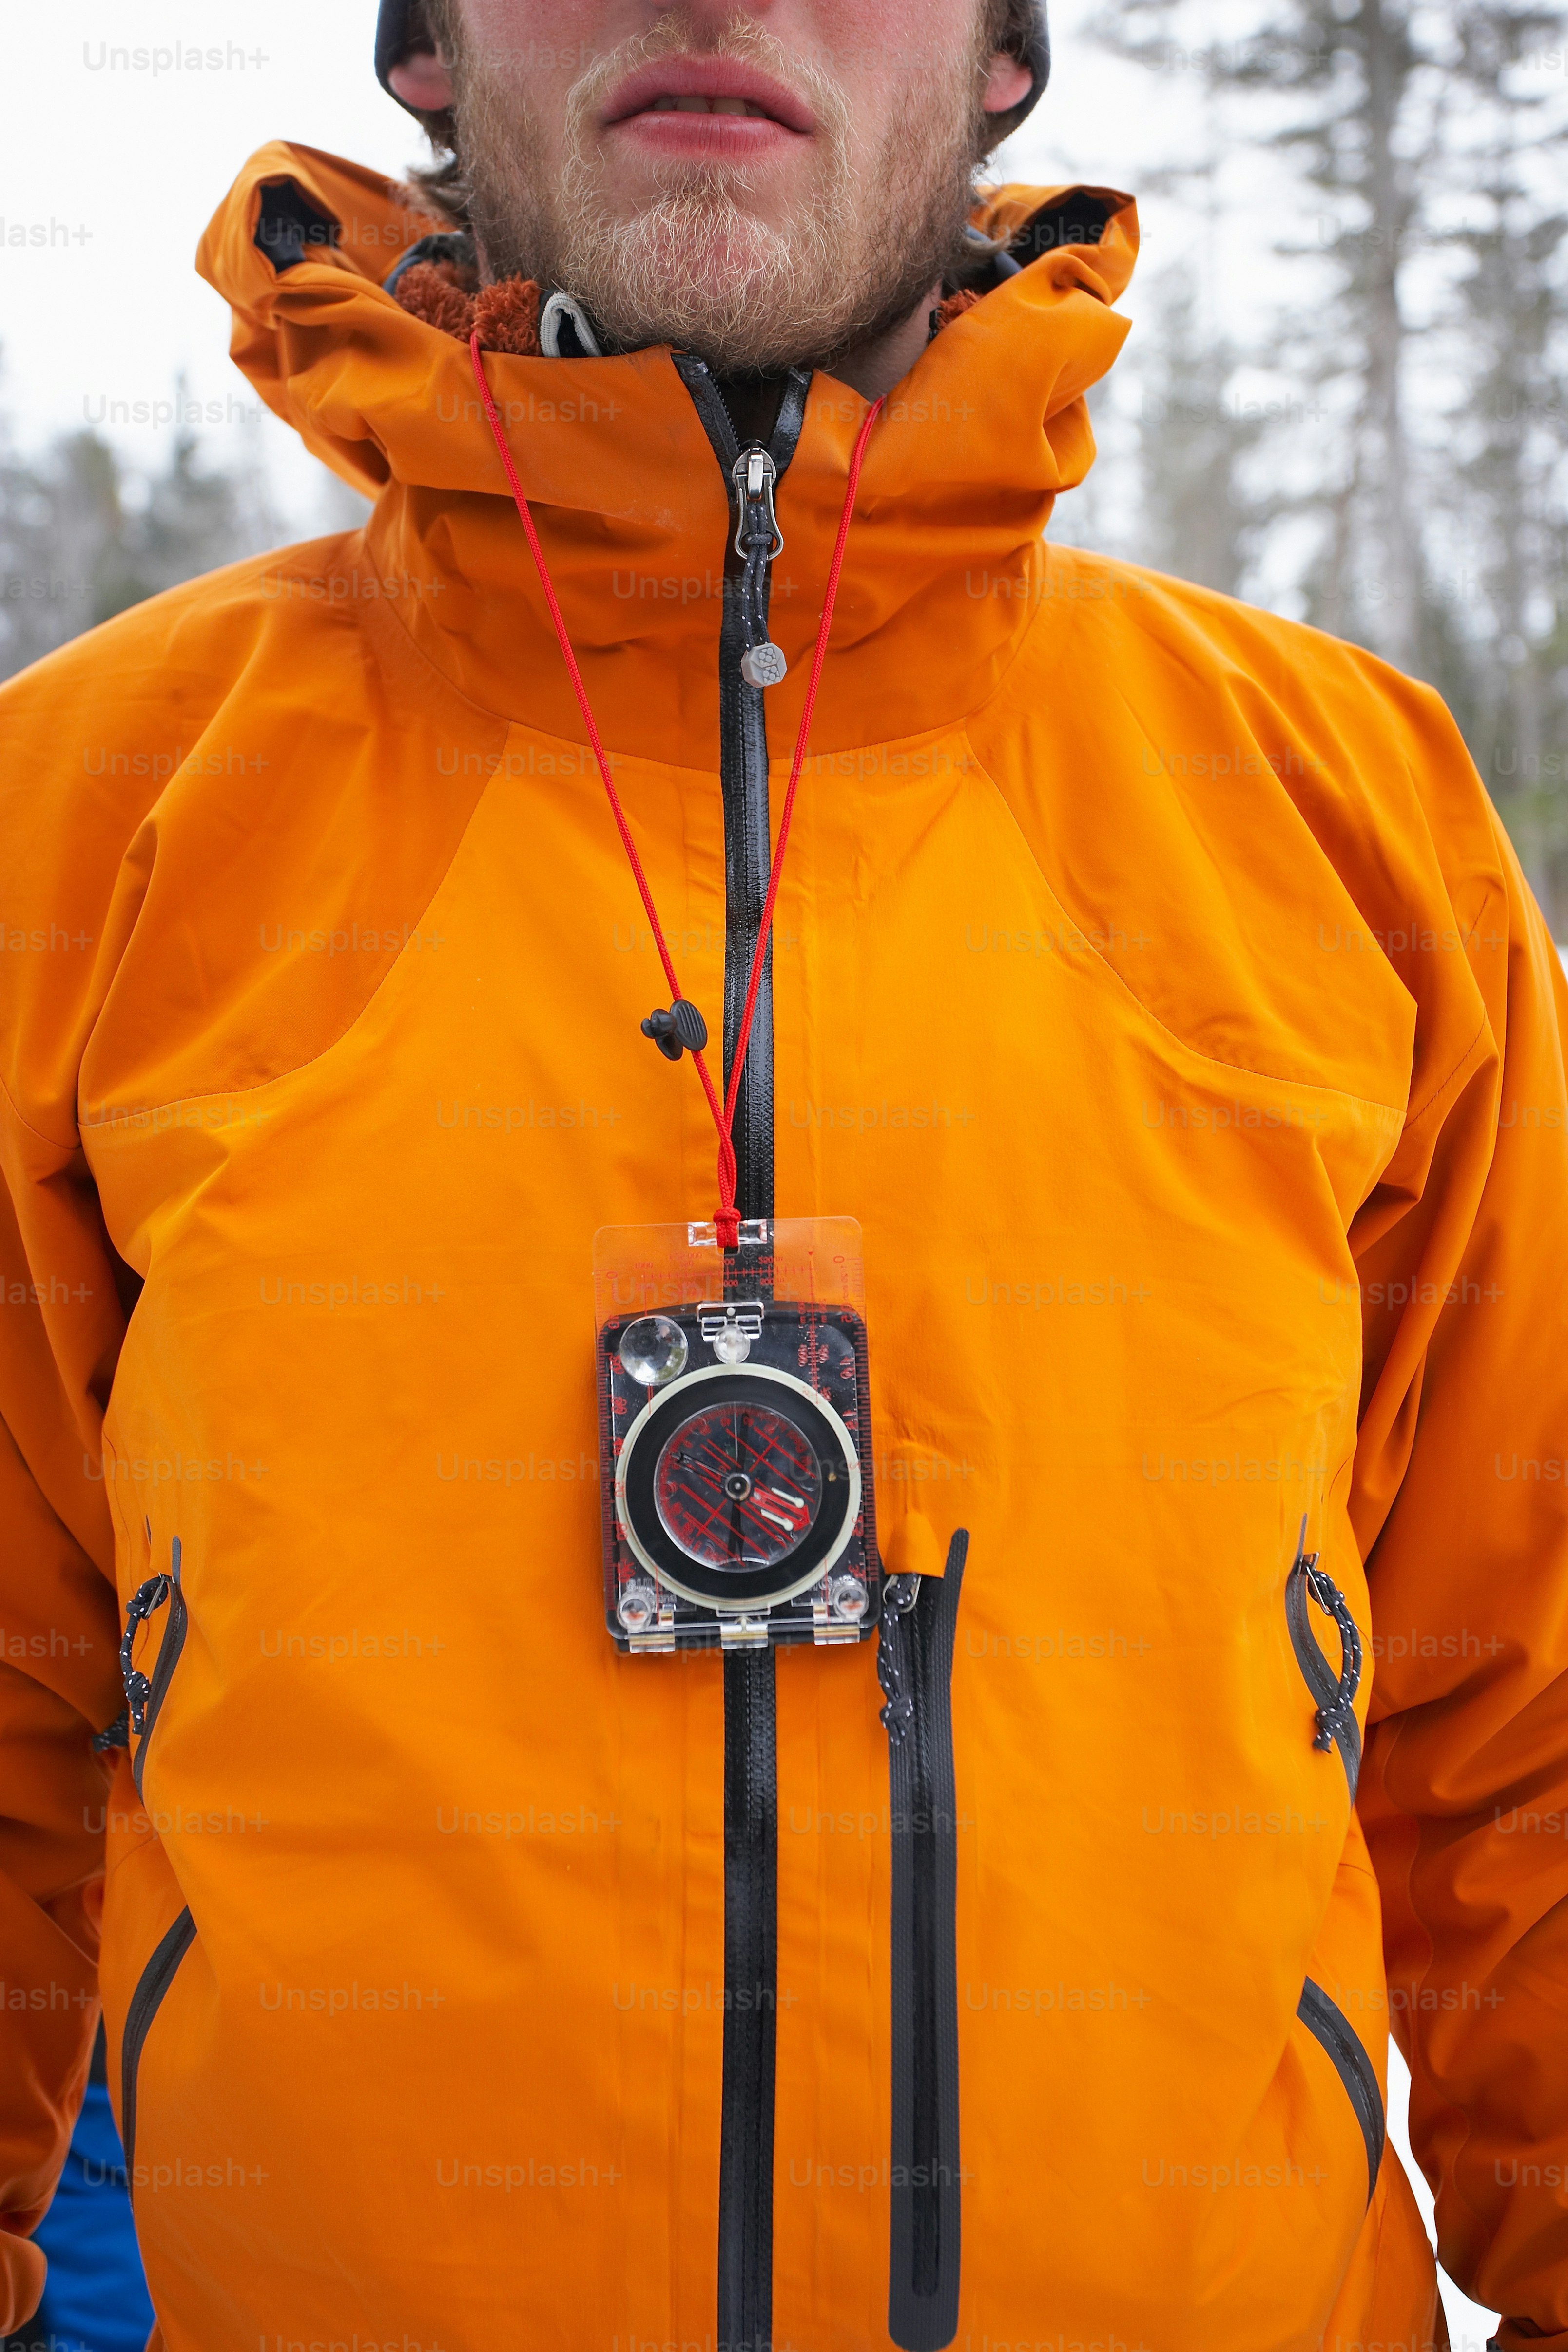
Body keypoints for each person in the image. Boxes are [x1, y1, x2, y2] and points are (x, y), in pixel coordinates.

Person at [0, 1, 1563, 2346]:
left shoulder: (1338, 806)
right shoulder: (92, 808)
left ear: (1006, 57)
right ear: (426, 50)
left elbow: (1525, 1726)